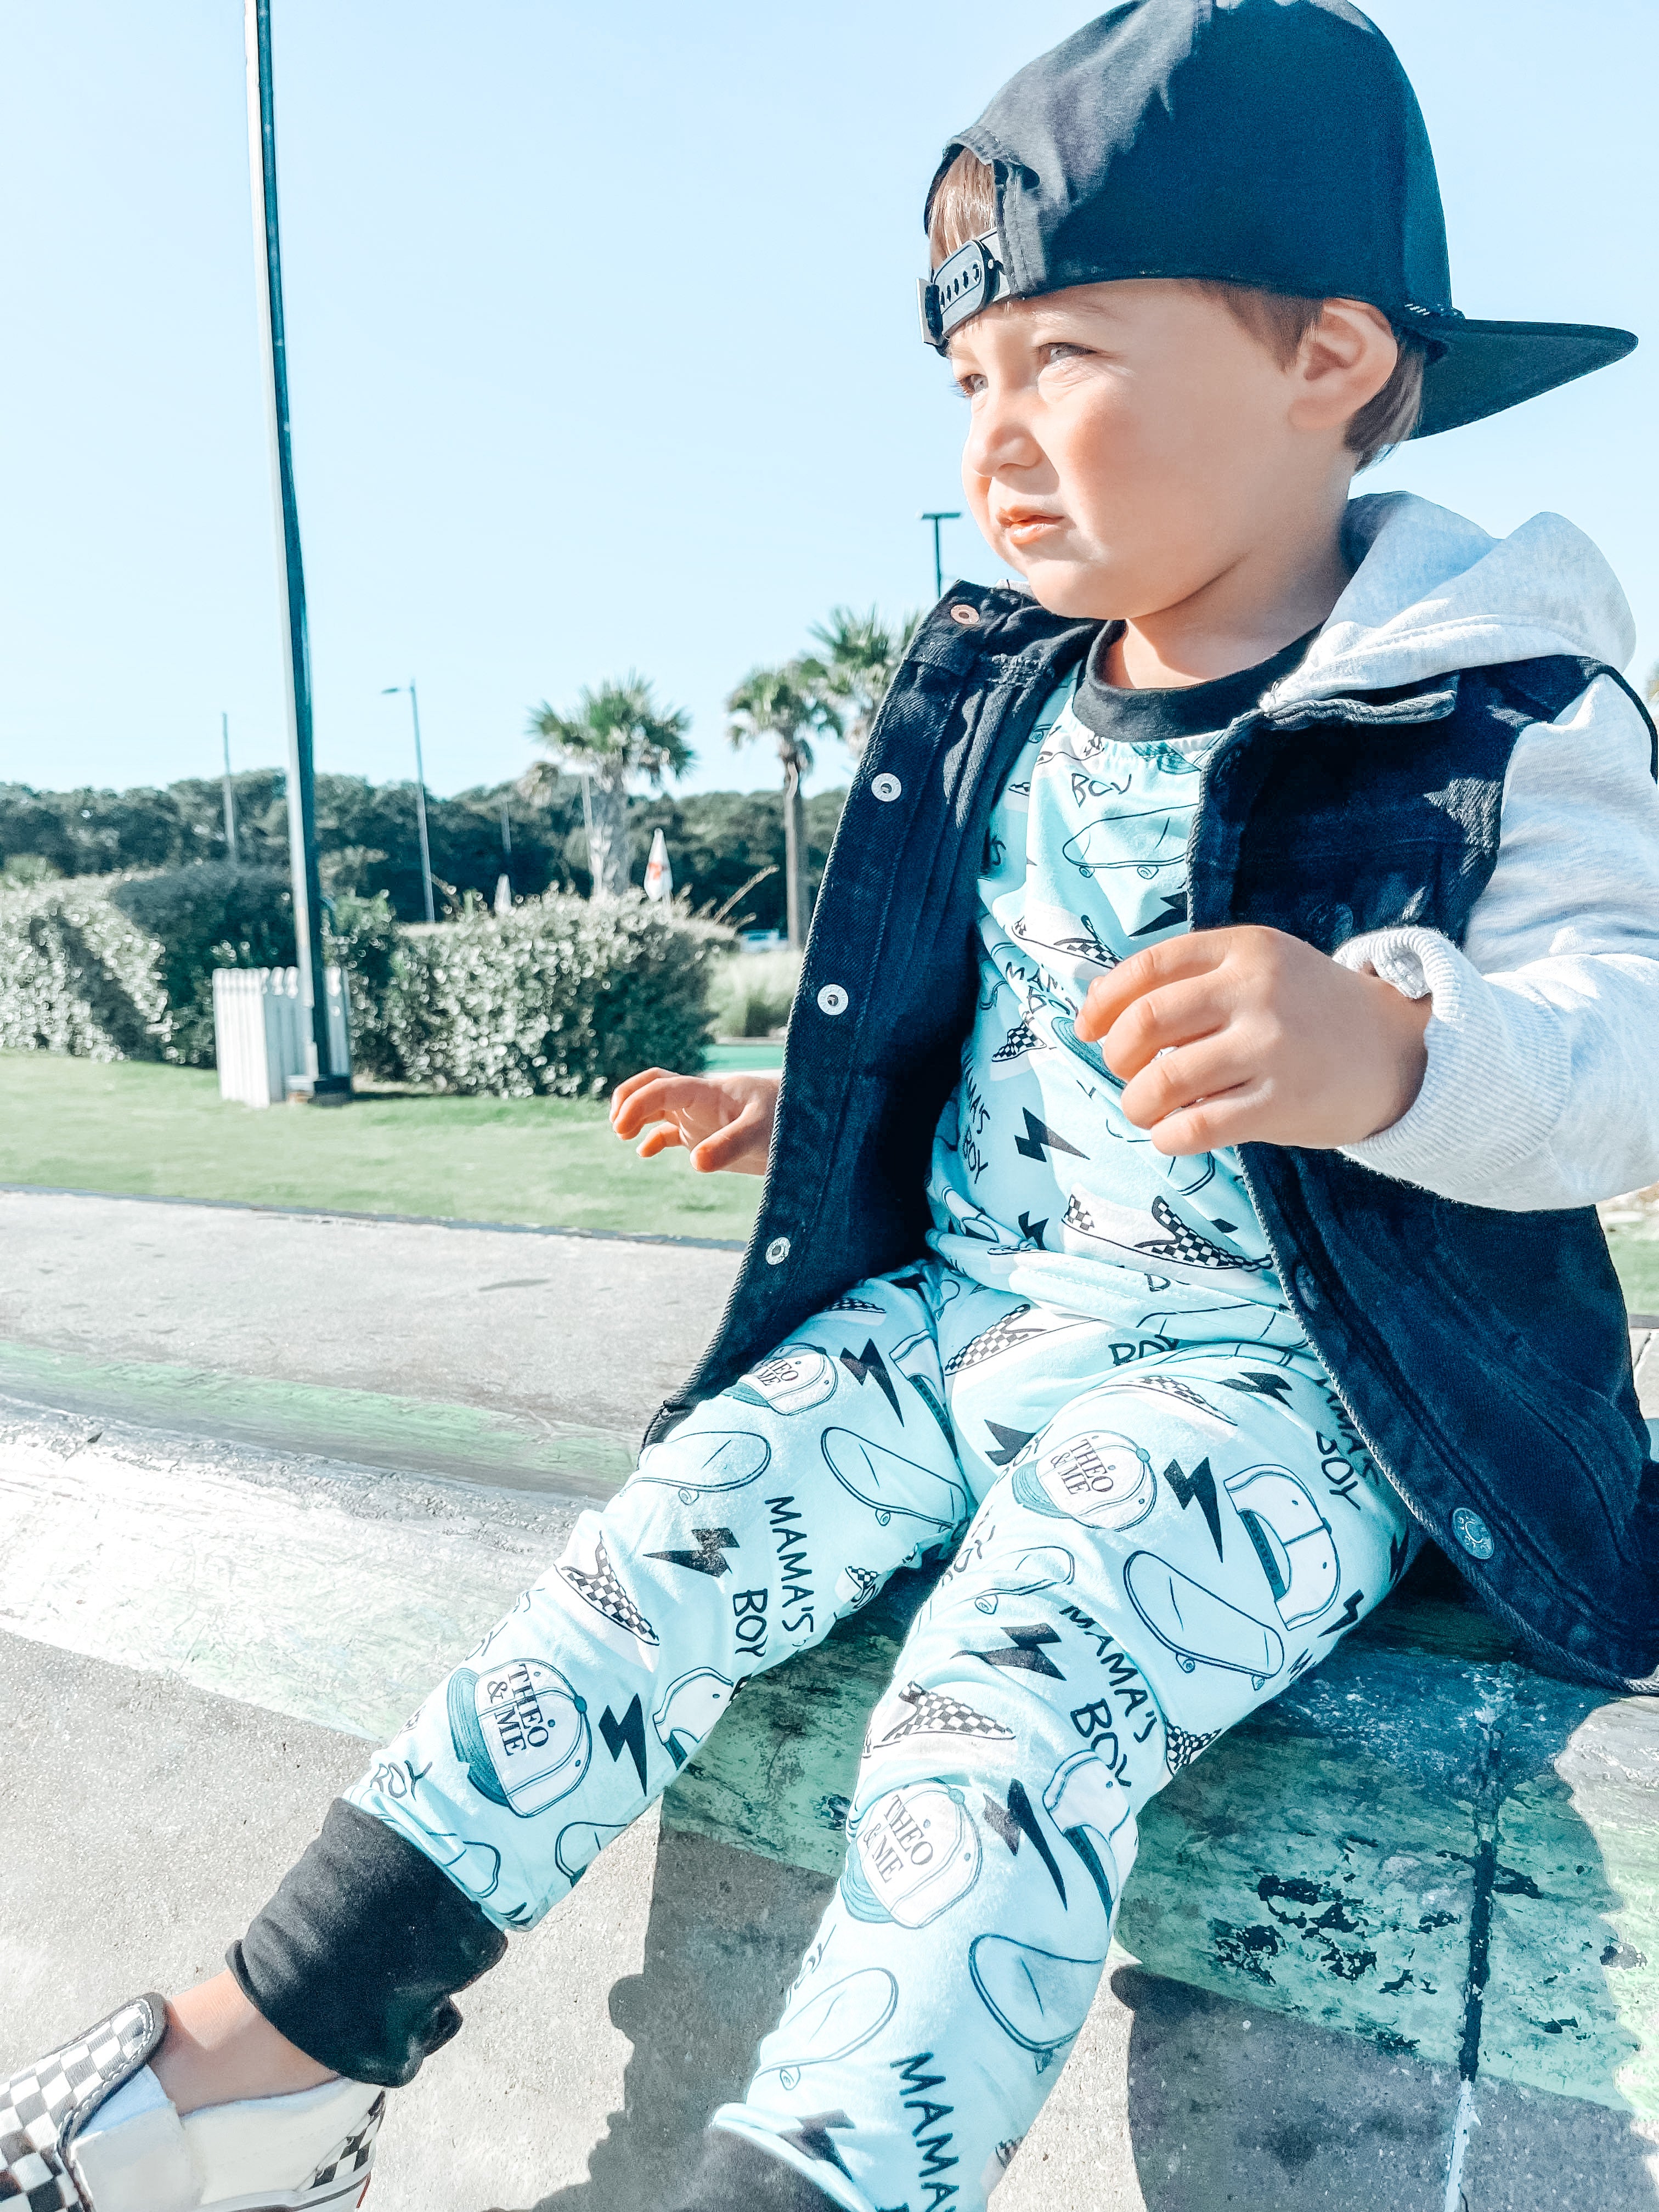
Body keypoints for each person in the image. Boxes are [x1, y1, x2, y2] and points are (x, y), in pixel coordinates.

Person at [8, 4, 1656, 2209]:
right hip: (957, 1328)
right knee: (638, 1566)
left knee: (999, 1712)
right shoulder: (1005, 692)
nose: (996, 439)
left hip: (1276, 1401)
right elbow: (945, 979)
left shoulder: (1494, 700)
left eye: (1064, 357)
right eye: (970, 381)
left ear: (1330, 359)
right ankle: (256, 2071)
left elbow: (1615, 1035)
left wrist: (1399, 1051)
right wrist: (778, 1084)